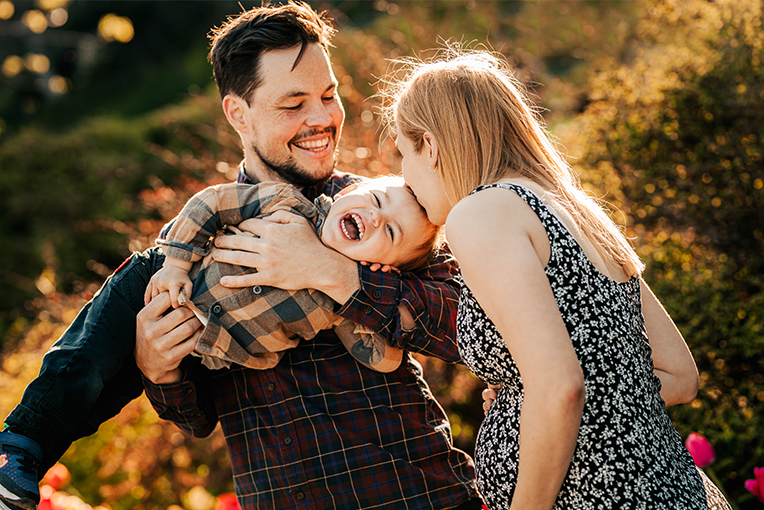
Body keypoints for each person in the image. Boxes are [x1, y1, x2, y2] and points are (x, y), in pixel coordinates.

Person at [0, 3, 482, 510]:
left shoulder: (392, 213)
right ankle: (22, 450)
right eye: (293, 104)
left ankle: (23, 444)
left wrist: (333, 273)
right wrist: (160, 371)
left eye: (328, 95)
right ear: (238, 113)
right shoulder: (194, 242)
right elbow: (198, 419)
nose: (321, 118)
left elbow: (475, 332)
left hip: (417, 496)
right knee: (132, 293)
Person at [382, 47, 732, 510]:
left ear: (431, 145)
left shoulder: (481, 213)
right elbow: (680, 376)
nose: (402, 175)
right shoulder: (576, 211)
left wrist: (542, 407)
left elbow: (561, 387)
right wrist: (524, 406)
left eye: (403, 153)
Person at [146, 175, 439, 372]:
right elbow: (212, 202)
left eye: (390, 231)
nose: (376, 216)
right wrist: (175, 265)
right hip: (172, 287)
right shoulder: (285, 202)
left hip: (208, 350)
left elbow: (383, 360)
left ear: (383, 266)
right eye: (376, 200)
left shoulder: (341, 304)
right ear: (349, 191)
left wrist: (373, 287)